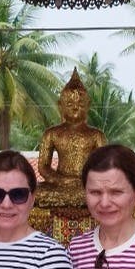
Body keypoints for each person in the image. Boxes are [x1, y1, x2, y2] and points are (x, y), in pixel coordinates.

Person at [35, 70, 107, 208]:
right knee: (36, 192)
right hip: (59, 185)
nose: (75, 108)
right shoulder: (52, 134)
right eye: (69, 104)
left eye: (80, 105)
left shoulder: (96, 135)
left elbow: (104, 166)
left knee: (100, 193)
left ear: (88, 106)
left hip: (86, 186)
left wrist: (87, 180)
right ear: (60, 105)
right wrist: (61, 180)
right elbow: (43, 167)